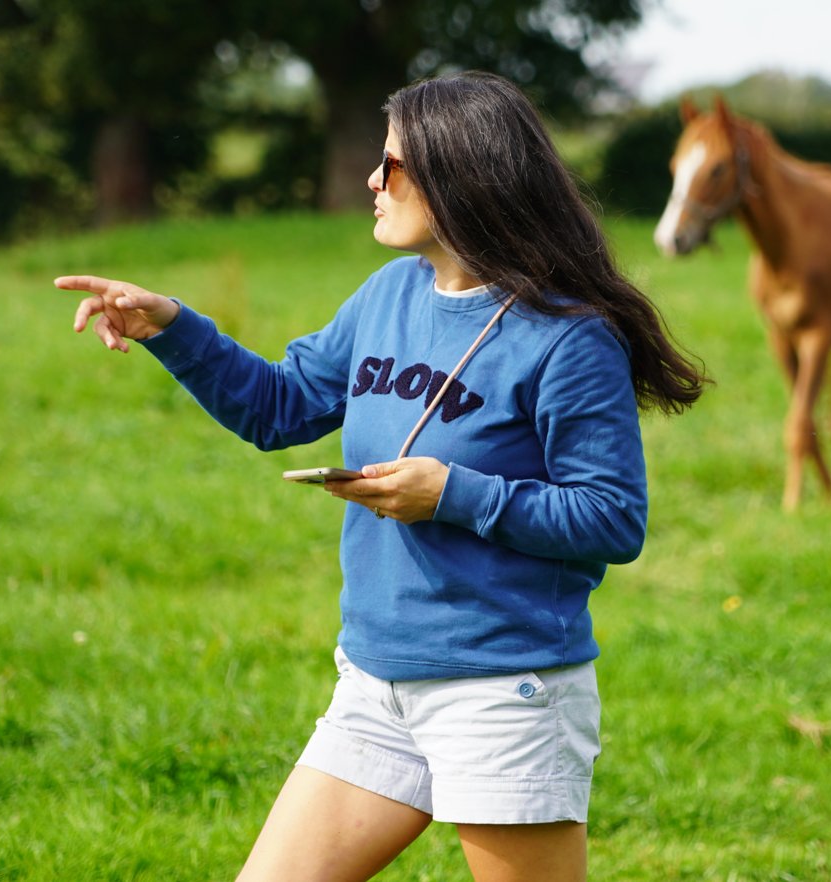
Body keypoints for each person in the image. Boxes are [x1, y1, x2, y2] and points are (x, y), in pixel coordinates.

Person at [57, 71, 705, 882]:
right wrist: (173, 328)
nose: (372, 179)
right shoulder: (388, 295)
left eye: (393, 165)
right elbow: (280, 407)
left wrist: (451, 495)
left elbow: (611, 517)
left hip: (504, 690)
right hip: (375, 681)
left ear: (460, 176)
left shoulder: (568, 338)